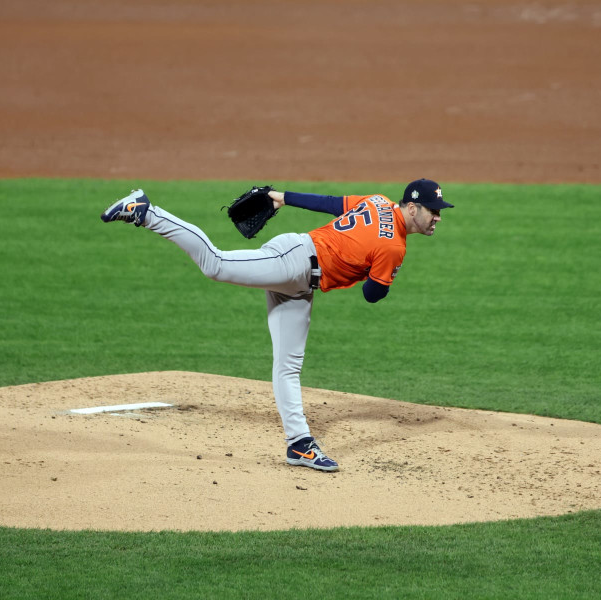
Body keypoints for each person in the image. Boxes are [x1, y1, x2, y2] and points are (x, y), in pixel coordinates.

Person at [100, 179, 453, 472]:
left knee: (288, 366)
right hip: (295, 260)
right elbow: (372, 295)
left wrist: (283, 197)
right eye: (433, 211)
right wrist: (385, 271)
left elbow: (331, 203)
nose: (438, 218)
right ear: (412, 207)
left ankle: (299, 445)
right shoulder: (394, 247)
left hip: (300, 284)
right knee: (215, 264)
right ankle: (147, 212)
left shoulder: (376, 202)